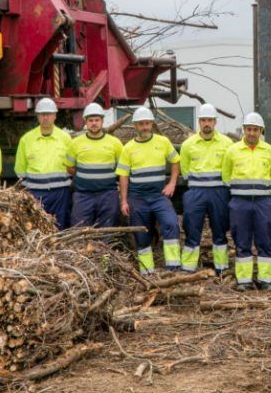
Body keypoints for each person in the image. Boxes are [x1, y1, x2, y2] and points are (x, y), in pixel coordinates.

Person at [116, 107, 181, 274]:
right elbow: (123, 176)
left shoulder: (163, 142)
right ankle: (147, 271)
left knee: (171, 223)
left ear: (152, 124)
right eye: (140, 124)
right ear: (135, 126)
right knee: (141, 232)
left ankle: (173, 267)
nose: (144, 127)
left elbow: (175, 161)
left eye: (147, 123)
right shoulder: (128, 148)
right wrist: (124, 201)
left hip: (159, 196)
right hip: (137, 198)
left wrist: (172, 183)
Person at [222, 112, 271, 291]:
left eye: (255, 129)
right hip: (240, 203)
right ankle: (244, 280)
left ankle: (265, 280)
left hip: (263, 203)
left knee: (265, 240)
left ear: (261, 130)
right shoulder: (232, 151)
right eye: (248, 129)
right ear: (243, 130)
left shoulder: (269, 151)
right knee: (242, 241)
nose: (252, 133)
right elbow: (226, 176)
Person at [178, 103, 233, 274]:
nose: (206, 123)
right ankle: (188, 268)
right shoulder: (188, 144)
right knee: (191, 228)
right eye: (203, 120)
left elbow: (230, 167)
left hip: (219, 192)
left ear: (215, 122)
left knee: (220, 228)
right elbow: (185, 169)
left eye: (209, 120)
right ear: (199, 122)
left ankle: (221, 267)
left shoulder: (227, 143)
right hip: (196, 192)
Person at [15, 98, 73, 229]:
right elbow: (20, 169)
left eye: (49, 114)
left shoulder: (65, 138)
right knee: (36, 226)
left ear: (55, 116)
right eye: (42, 114)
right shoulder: (27, 139)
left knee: (60, 226)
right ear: (37, 116)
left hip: (60, 193)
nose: (45, 117)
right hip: (35, 193)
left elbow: (72, 165)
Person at [66, 103, 123, 228]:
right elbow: (69, 167)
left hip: (108, 194)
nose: (94, 123)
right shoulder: (75, 143)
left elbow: (122, 169)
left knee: (108, 229)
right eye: (90, 120)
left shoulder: (115, 143)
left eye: (97, 120)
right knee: (79, 228)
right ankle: (82, 248)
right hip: (83, 195)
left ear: (102, 121)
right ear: (85, 122)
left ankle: (105, 248)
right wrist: (85, 178)